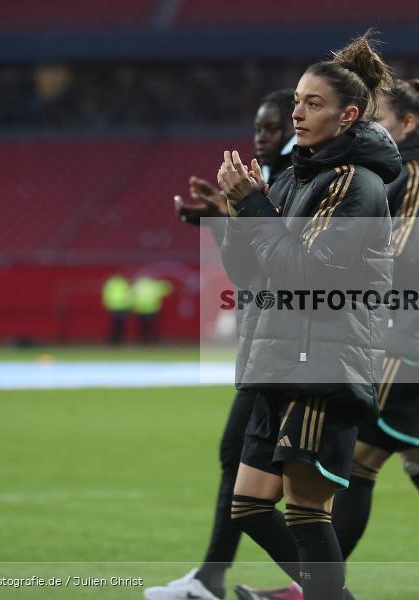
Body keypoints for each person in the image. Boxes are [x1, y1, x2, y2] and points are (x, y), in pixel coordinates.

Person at [219, 32, 400, 600]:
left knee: (305, 511)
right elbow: (251, 275)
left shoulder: (355, 184)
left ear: (349, 116)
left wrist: (253, 206)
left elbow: (304, 274)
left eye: (313, 103)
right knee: (248, 504)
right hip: (281, 355)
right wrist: (236, 210)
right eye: (297, 100)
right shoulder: (298, 174)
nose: (297, 110)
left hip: (321, 361)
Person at [144, 90, 295, 600]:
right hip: (270, 345)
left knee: (270, 481)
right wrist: (222, 215)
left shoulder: (299, 180)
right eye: (258, 127)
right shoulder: (275, 180)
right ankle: (216, 576)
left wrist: (238, 213)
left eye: (272, 127)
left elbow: (285, 265)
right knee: (259, 472)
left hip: (289, 349)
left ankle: (319, 587)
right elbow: (255, 261)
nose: (261, 137)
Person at [329, 79, 419, 560]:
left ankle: (312, 588)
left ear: (407, 124)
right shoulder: (413, 171)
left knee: (355, 464)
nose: (368, 131)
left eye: (378, 121)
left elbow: (404, 256)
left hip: (405, 343)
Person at [102, 274, 132, 344]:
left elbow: (128, 295)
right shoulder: (115, 284)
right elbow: (106, 295)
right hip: (115, 307)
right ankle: (115, 340)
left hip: (122, 307)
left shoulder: (120, 284)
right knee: (115, 326)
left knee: (120, 325)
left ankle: (119, 340)